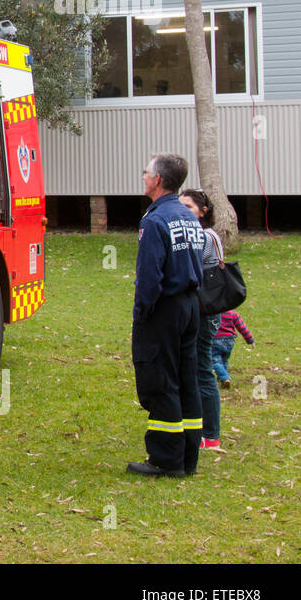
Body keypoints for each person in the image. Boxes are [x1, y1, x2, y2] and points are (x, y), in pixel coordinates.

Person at [130, 155, 204, 478]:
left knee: (161, 379)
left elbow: (149, 278)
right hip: (190, 307)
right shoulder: (189, 218)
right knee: (188, 379)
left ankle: (165, 459)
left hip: (164, 309)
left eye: (146, 171)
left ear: (157, 179)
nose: (143, 175)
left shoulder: (155, 221)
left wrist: (142, 314)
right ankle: (188, 457)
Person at [180, 189, 223, 451]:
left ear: (202, 211)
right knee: (194, 368)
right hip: (192, 309)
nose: (183, 212)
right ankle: (196, 426)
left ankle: (210, 434)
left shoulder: (205, 236)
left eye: (189, 207)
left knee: (203, 369)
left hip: (205, 311)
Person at [213, 309, 254, 390]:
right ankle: (222, 378)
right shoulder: (232, 313)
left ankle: (224, 377)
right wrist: (250, 340)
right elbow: (242, 327)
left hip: (216, 340)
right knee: (224, 360)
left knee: (215, 361)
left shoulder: (213, 312)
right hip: (230, 341)